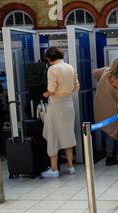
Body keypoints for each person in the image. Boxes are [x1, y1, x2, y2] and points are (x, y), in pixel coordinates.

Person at [41, 46, 79, 178]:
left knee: (52, 135)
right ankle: (70, 166)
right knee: (67, 134)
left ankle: (54, 169)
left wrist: (46, 94)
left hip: (56, 105)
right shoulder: (70, 67)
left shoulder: (52, 69)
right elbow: (76, 87)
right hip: (68, 104)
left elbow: (51, 89)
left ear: (49, 58)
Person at [93, 58, 118, 166]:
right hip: (110, 109)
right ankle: (110, 157)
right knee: (112, 132)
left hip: (99, 106)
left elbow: (94, 73)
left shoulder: (105, 71)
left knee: (110, 131)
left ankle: (111, 155)